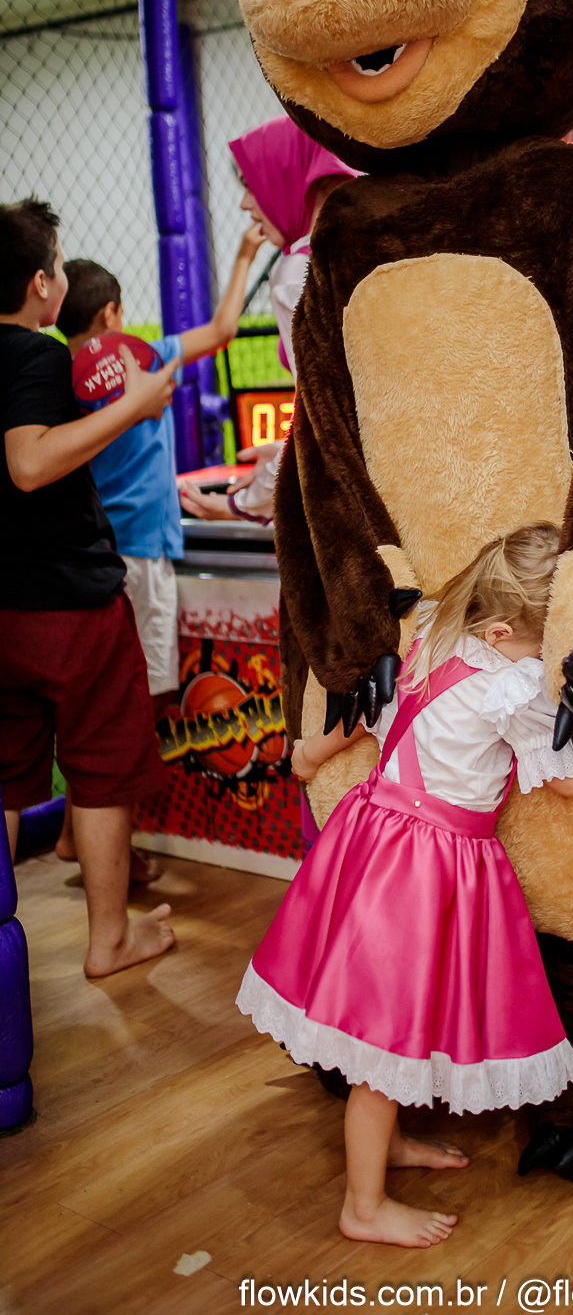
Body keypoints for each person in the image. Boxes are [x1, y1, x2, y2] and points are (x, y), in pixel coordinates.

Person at [236, 523, 573, 1247]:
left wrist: (309, 753)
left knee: (391, 1019)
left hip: (371, 840)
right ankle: (363, 1206)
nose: (553, 659)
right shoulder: (512, 688)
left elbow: (366, 716)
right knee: (383, 1041)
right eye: (547, 644)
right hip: (425, 868)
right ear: (503, 631)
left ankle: (387, 1145)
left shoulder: (428, 634)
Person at [0, 198, 179, 975]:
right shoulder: (38, 356)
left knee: (7, 776)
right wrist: (135, 405)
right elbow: (29, 462)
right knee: (102, 768)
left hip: (4, 609)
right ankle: (109, 939)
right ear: (42, 284)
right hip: (67, 600)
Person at [55, 231, 265, 719]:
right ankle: (154, 767)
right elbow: (222, 330)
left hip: (93, 550)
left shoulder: (59, 377)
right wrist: (244, 255)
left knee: (106, 681)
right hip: (145, 551)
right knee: (156, 689)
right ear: (111, 313)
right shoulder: (146, 358)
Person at [178, 117, 359, 525]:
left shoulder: (297, 273)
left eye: (250, 183)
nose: (245, 203)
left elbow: (322, 423)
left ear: (285, 178)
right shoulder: (358, 248)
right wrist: (284, 454)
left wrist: (245, 503)